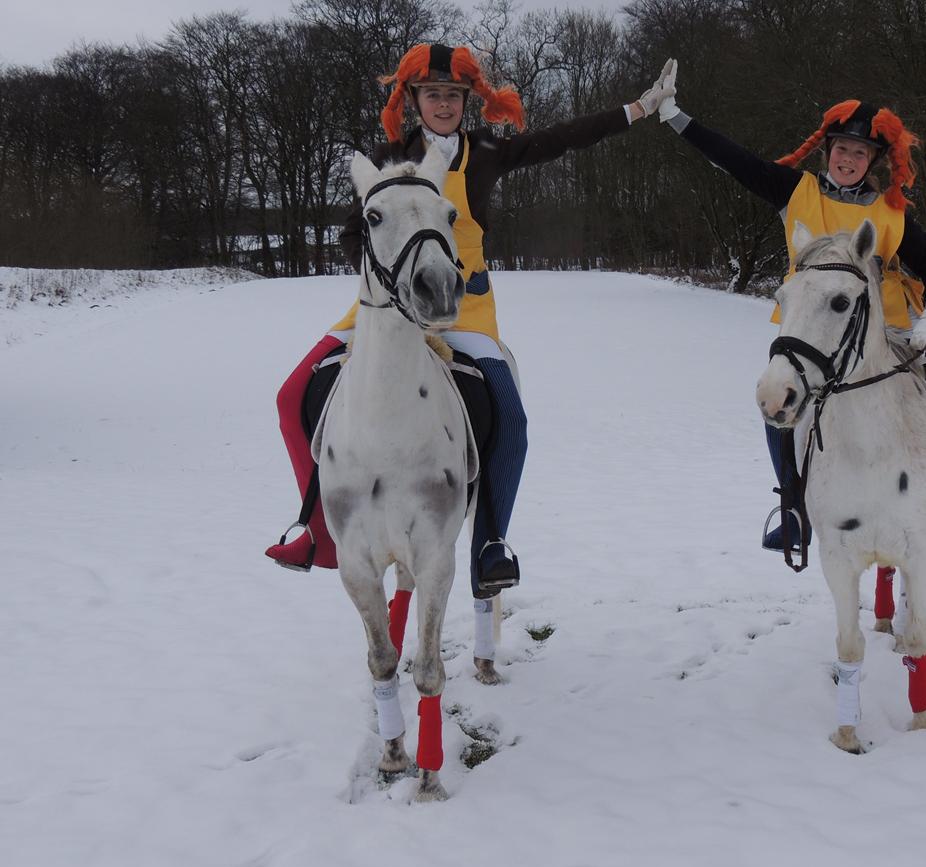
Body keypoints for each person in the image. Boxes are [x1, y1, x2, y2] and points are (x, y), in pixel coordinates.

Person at [265, 45, 674, 622]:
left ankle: (489, 543)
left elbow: (560, 139)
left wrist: (636, 109)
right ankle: (318, 531)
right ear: (413, 102)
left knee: (510, 417)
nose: (443, 104)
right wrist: (386, 273)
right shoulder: (388, 159)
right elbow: (354, 236)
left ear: (466, 103)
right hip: (385, 305)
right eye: (432, 95)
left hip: (467, 309)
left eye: (453, 96)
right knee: (289, 398)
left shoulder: (484, 153)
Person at [654, 62, 926, 554]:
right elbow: (734, 160)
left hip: (888, 330)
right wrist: (675, 115)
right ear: (827, 152)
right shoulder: (795, 191)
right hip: (813, 330)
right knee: (778, 406)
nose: (849, 159)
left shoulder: (891, 211)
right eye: (842, 149)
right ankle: (793, 508)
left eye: (860, 153)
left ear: (872, 162)